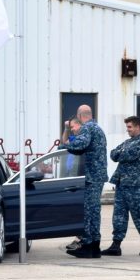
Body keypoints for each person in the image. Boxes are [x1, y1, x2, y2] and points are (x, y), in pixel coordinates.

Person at [102, 116, 140, 256]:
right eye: (127, 127)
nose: (127, 130)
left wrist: (121, 152)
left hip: (135, 185)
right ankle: (116, 246)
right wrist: (120, 153)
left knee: (139, 215)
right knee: (119, 216)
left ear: (137, 127)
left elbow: (127, 155)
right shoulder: (129, 141)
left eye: (129, 127)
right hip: (122, 184)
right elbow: (113, 154)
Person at [59, 105, 108, 258]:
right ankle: (94, 246)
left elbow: (80, 144)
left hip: (92, 176)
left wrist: (64, 146)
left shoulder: (87, 128)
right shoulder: (98, 129)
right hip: (98, 175)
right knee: (94, 211)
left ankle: (88, 245)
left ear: (80, 116)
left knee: (89, 211)